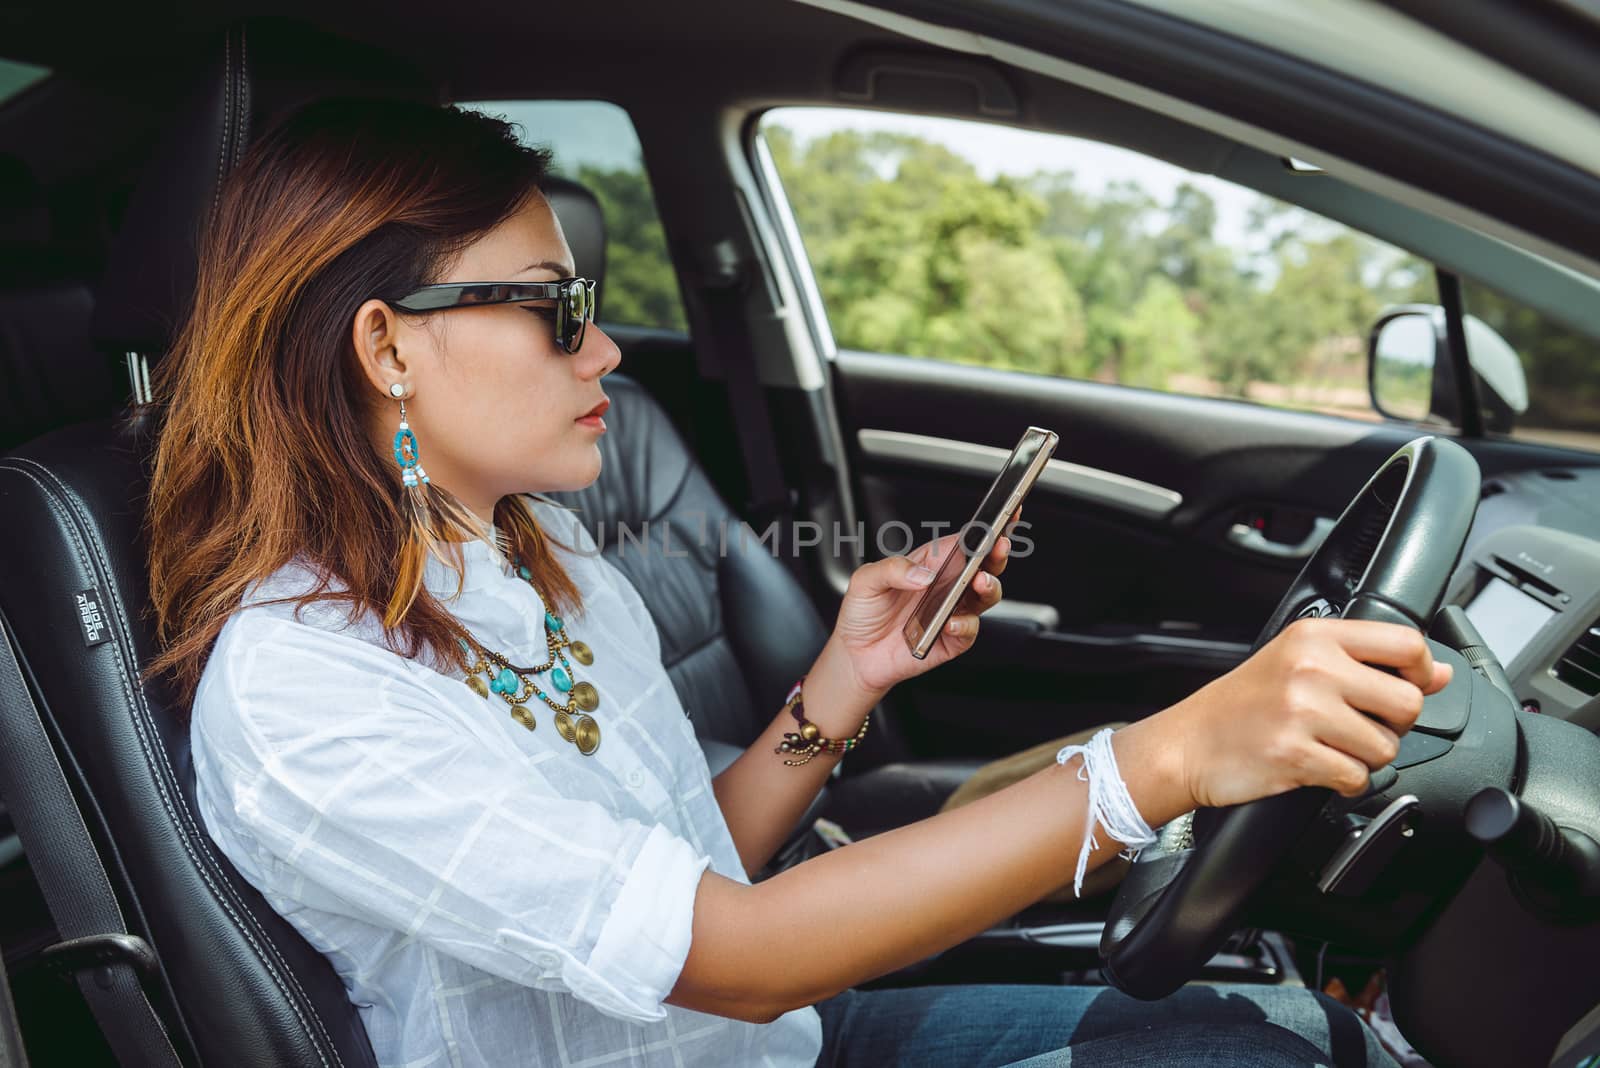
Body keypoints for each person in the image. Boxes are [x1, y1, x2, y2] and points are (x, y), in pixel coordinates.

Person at [147, 97, 1447, 1068]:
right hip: (757, 1019)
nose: (602, 347)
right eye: (555, 307)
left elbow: (692, 865)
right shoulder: (308, 693)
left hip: (779, 1043)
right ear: (386, 346)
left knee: (1272, 1029)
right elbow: (743, 956)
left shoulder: (539, 553)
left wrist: (848, 675)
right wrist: (1169, 760)